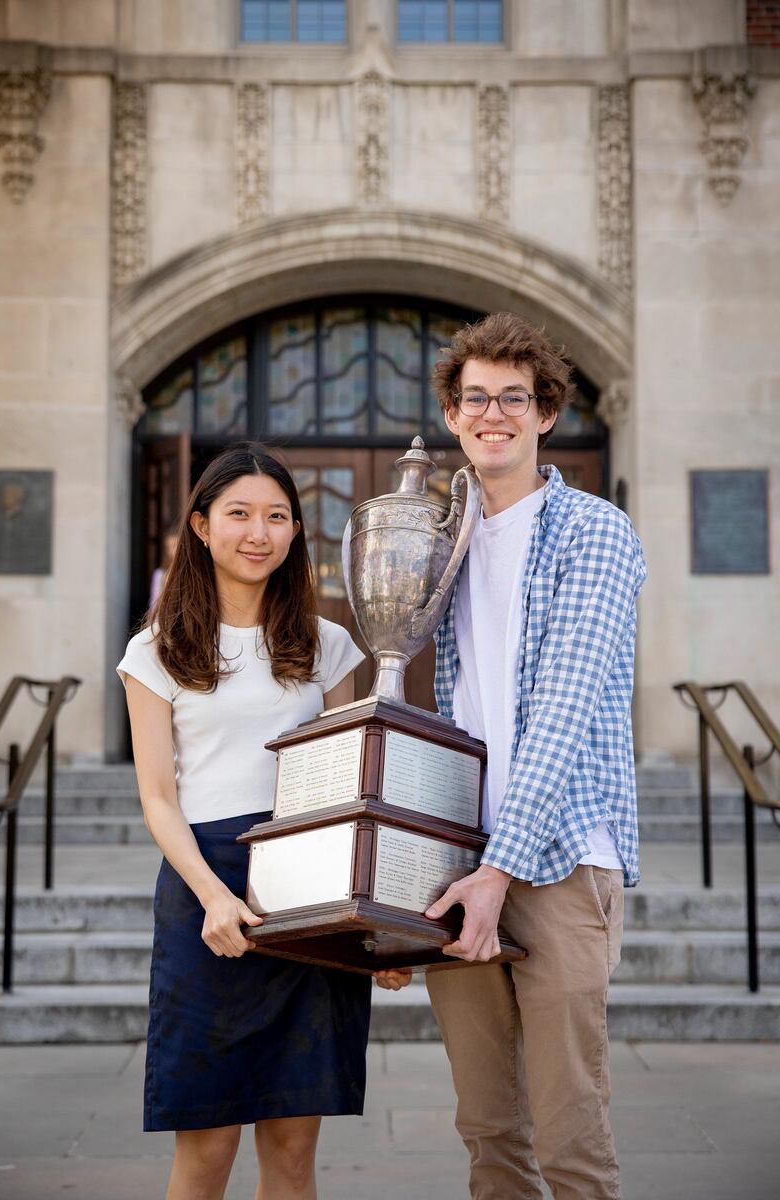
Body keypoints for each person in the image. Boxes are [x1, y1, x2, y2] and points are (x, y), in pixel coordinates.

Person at [378, 313, 646, 1199]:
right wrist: (388, 889)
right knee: (489, 1134)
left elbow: (563, 716)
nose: (494, 414)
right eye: (476, 398)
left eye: (514, 399)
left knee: (572, 1135)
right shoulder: (442, 537)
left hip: (560, 858)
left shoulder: (594, 533)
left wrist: (498, 871)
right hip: (458, 860)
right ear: (453, 416)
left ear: (545, 415)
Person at [117, 445, 371, 1200]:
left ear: (296, 532)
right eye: (238, 514)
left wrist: (373, 923)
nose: (257, 532)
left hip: (309, 888)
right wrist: (214, 896)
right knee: (206, 1151)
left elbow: (355, 789)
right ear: (199, 526)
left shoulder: (327, 646)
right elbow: (160, 800)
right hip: (208, 892)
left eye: (276, 516)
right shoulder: (155, 652)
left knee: (293, 1151)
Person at [149, 528, 179, 611]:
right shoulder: (160, 574)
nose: (176, 549)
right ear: (167, 550)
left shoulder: (189, 571)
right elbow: (154, 603)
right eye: (172, 546)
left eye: (177, 545)